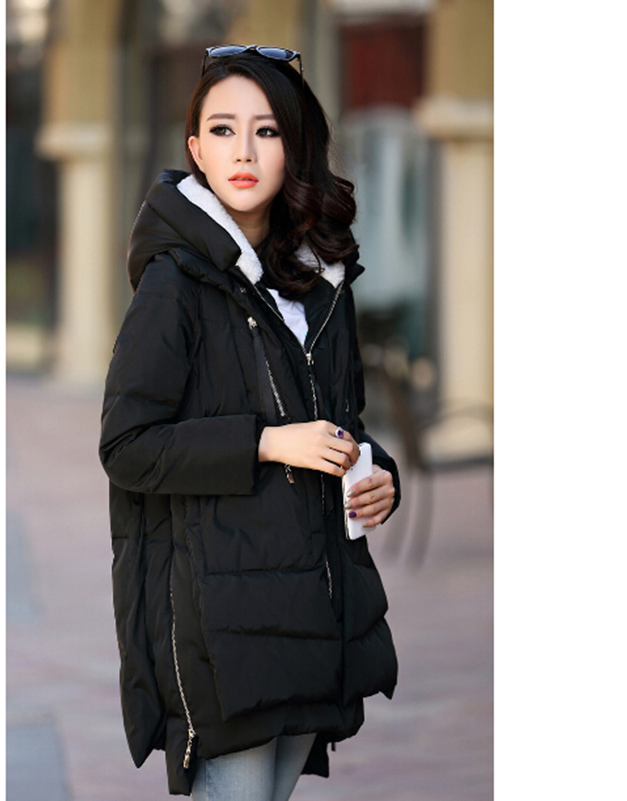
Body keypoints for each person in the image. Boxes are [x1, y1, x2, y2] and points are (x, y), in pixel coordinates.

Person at [99, 44, 401, 800]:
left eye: (265, 131)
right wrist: (266, 443)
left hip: (313, 607)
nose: (243, 151)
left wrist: (377, 474)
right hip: (221, 621)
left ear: (294, 146)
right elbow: (127, 446)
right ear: (196, 149)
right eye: (223, 130)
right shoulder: (174, 282)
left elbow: (342, 420)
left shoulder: (320, 280)